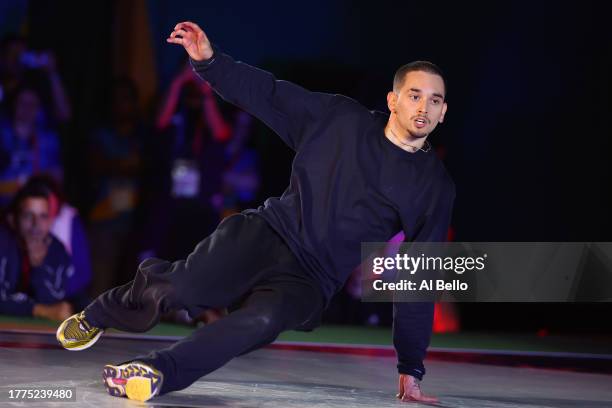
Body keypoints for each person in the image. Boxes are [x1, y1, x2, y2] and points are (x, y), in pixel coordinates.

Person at [56, 21, 454, 404]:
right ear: (393, 99)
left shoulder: (434, 188)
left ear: (443, 112)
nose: (423, 107)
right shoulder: (341, 120)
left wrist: (411, 367)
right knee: (183, 289)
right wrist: (210, 63)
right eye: (415, 95)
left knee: (257, 324)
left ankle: (155, 372)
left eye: (434, 100)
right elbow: (270, 94)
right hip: (264, 234)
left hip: (311, 281)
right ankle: (102, 311)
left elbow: (420, 275)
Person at [0, 181, 74, 321]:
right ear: (13, 220)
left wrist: (39, 267)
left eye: (43, 216)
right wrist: (41, 311)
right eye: (28, 216)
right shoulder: (3, 243)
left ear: (51, 221)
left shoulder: (57, 250)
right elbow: (49, 311)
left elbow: (55, 304)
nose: (36, 224)